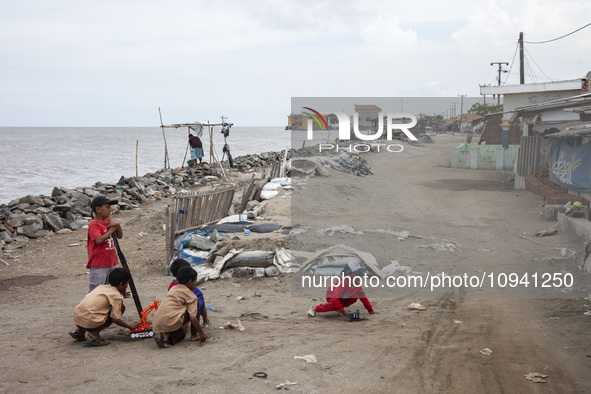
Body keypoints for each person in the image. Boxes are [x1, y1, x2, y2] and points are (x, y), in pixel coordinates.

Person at [69, 268, 141, 346]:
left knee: (96, 309)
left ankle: (80, 331)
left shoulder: (102, 287)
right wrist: (130, 326)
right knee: (121, 308)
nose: (127, 286)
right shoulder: (117, 296)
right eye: (127, 284)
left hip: (78, 319)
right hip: (90, 322)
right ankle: (94, 333)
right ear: (121, 284)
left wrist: (122, 293)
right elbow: (115, 319)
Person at [152, 266, 208, 348]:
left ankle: (165, 337)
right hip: (171, 320)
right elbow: (193, 318)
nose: (195, 283)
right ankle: (194, 335)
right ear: (190, 282)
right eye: (195, 281)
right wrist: (201, 333)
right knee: (182, 334)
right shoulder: (191, 296)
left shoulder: (173, 289)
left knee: (177, 312)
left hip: (157, 321)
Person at [307, 261, 379, 320]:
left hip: (342, 297)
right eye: (358, 274)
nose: (360, 275)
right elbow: (335, 299)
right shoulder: (343, 283)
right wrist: (342, 311)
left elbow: (363, 297)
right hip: (331, 295)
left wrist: (370, 311)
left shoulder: (357, 284)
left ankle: (338, 308)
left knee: (355, 296)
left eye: (360, 273)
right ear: (348, 273)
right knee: (334, 305)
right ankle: (314, 308)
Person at [87, 195, 122, 293]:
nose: (110, 210)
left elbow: (119, 236)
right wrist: (111, 230)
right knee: (97, 290)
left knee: (110, 288)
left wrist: (117, 225)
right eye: (107, 208)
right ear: (98, 209)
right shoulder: (94, 223)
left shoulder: (108, 221)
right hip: (99, 264)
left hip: (111, 261)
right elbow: (98, 240)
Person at [168, 258, 209, 328]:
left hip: (172, 312)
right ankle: (205, 322)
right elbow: (201, 296)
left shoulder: (172, 285)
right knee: (200, 302)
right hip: (185, 313)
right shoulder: (189, 286)